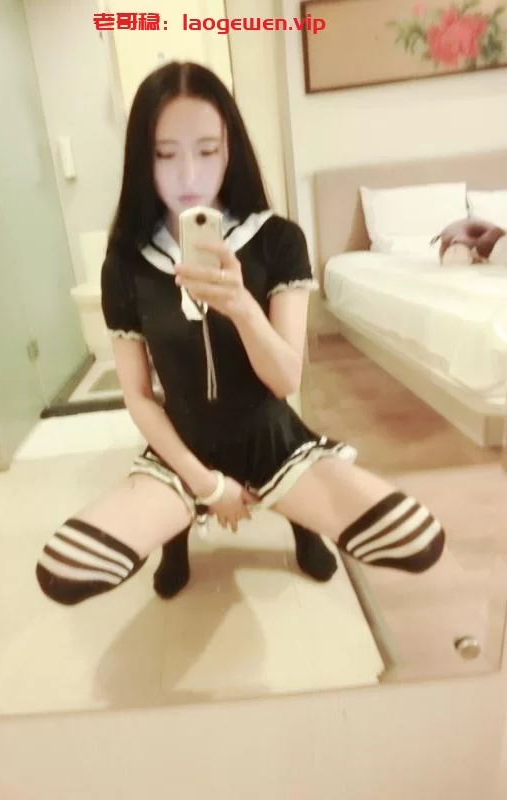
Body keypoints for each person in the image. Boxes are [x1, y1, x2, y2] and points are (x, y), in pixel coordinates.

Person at [35, 61, 446, 607]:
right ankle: (177, 536)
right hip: (183, 441)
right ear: (141, 160)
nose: (188, 176)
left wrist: (241, 306)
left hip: (270, 434)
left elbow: (285, 380)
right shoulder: (126, 265)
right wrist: (209, 486)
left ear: (230, 151)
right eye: (165, 154)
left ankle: (302, 522)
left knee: (416, 539)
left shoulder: (278, 240)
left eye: (207, 151)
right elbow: (137, 394)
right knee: (64, 570)